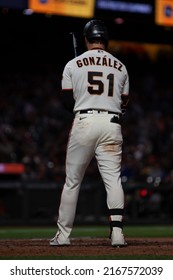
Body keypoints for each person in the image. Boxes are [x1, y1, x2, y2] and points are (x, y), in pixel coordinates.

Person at [50, 19, 129, 247]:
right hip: (112, 124)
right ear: (105, 40)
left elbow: (66, 101)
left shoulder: (73, 64)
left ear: (87, 40)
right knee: (113, 180)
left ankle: (63, 236)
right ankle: (117, 234)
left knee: (72, 182)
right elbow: (124, 103)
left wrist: (82, 97)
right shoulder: (121, 66)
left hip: (85, 121)